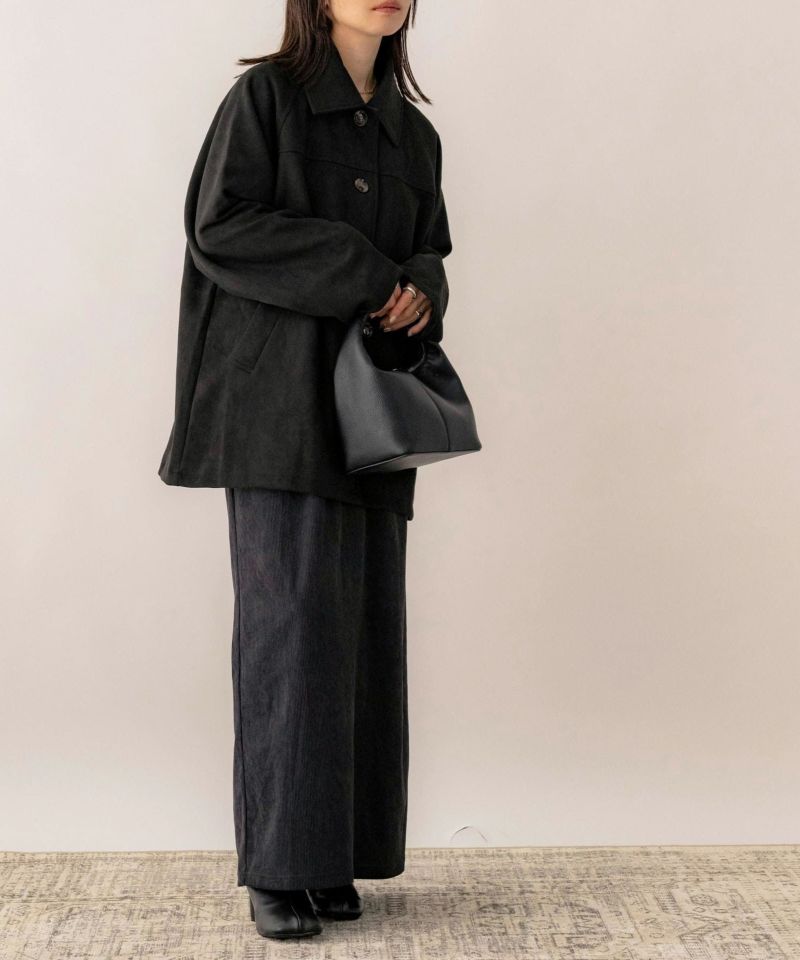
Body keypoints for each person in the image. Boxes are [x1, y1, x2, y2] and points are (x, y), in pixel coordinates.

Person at [157, 0, 452, 941]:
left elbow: (430, 251)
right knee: (291, 633)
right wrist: (367, 271)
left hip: (372, 414)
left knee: (361, 636)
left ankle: (334, 857)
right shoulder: (267, 99)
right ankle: (281, 867)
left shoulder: (414, 135)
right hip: (278, 405)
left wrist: (420, 290)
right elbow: (221, 225)